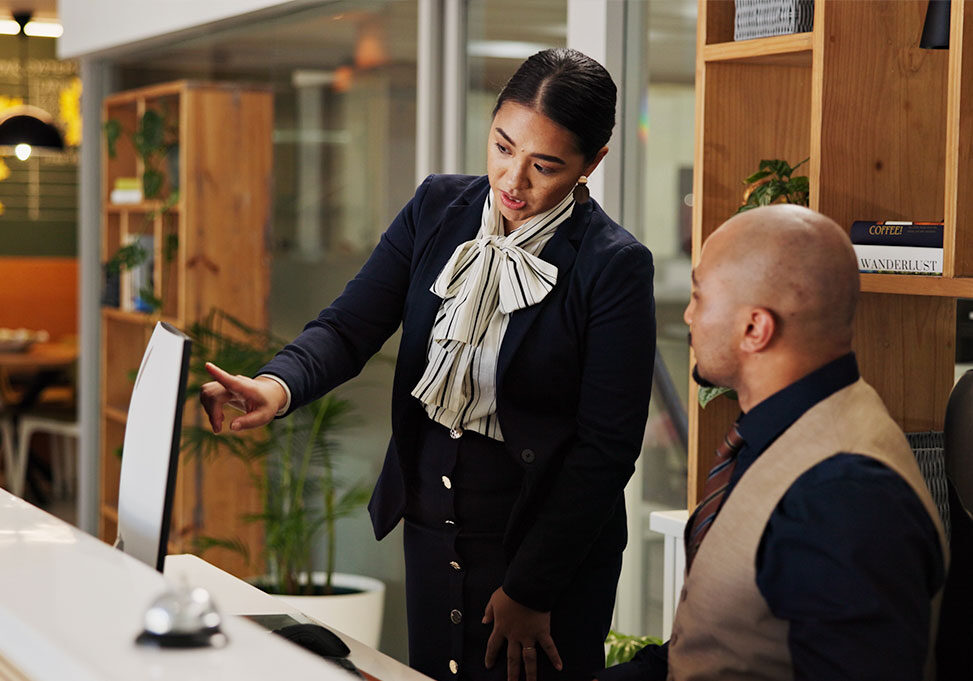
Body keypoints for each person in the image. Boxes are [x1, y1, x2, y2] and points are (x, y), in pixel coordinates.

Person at [200, 48, 656, 681]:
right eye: (502, 146)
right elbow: (347, 326)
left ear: (592, 165)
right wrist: (278, 384)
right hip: (433, 524)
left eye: (543, 166)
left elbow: (605, 452)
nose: (512, 181)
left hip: (542, 551)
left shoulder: (614, 265)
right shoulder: (438, 208)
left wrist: (531, 589)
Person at [597, 205, 947, 681]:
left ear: (755, 329)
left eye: (699, 296)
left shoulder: (844, 494)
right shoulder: (781, 431)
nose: (688, 314)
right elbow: (729, 645)